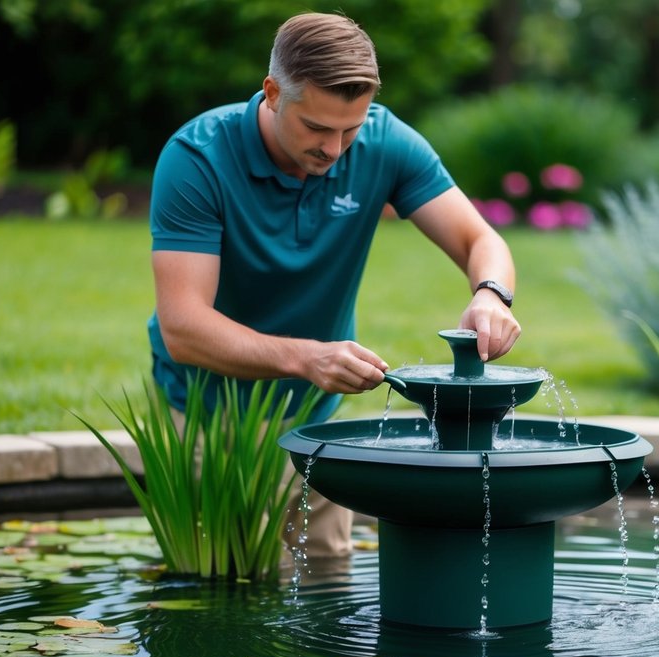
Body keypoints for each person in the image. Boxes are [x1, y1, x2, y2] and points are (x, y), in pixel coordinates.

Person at [146, 12, 521, 558]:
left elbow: (478, 240)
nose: (336, 149)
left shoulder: (386, 142)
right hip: (205, 418)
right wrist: (308, 358)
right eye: (317, 128)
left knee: (322, 594)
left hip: (312, 422)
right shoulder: (197, 158)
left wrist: (491, 293)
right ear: (273, 93)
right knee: (220, 600)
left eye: (351, 128)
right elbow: (184, 328)